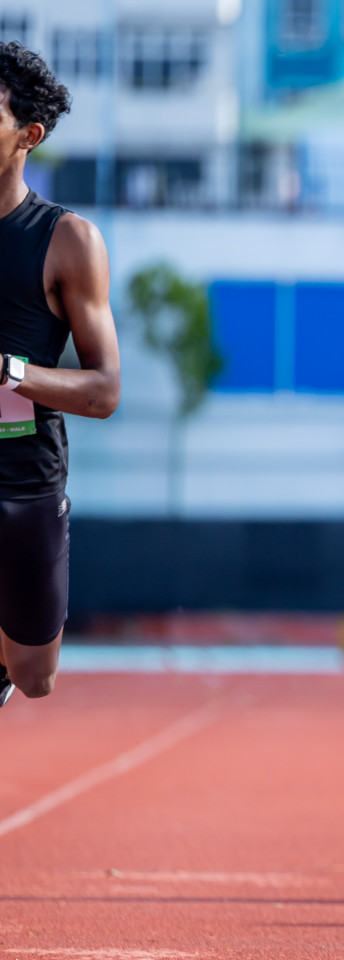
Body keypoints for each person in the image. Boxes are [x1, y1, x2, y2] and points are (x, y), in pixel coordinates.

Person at [0, 45, 120, 707]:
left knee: (33, 676)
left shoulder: (67, 240)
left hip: (22, 478)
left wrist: (11, 373)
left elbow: (104, 391)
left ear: (28, 135)